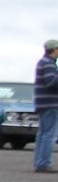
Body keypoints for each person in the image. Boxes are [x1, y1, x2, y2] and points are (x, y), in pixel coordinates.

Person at [35, 39, 58, 172]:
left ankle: (40, 162)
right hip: (51, 103)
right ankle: (44, 163)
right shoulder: (49, 64)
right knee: (49, 135)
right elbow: (52, 82)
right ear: (54, 49)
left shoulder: (42, 62)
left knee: (43, 134)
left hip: (43, 103)